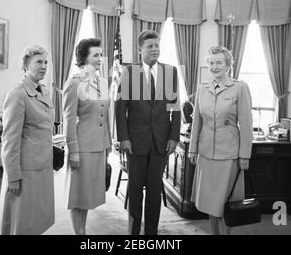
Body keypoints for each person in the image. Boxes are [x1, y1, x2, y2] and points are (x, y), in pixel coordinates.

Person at [115, 30, 181, 235]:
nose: (155, 49)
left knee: (154, 191)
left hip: (161, 142)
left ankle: (151, 234)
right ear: (140, 49)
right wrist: (124, 137)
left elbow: (174, 108)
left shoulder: (170, 72)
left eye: (157, 46)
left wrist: (174, 136)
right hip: (135, 142)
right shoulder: (129, 73)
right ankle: (133, 234)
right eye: (150, 46)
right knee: (135, 190)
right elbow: (120, 108)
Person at [188, 45, 253, 235]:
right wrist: (193, 149)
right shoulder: (202, 89)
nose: (214, 67)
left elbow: (246, 125)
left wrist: (245, 155)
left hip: (229, 153)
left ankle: (227, 233)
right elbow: (196, 123)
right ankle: (214, 233)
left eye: (219, 62)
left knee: (227, 200)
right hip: (206, 152)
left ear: (228, 65)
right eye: (211, 63)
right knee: (210, 201)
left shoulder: (239, 87)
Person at [0, 45, 55, 235]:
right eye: (39, 61)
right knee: (21, 224)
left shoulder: (44, 91)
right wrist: (13, 176)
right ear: (26, 65)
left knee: (36, 221)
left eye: (46, 62)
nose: (44, 66)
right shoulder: (18, 94)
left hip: (42, 166)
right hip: (25, 171)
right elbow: (10, 141)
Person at [63, 38, 111, 235]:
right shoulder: (74, 83)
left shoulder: (103, 82)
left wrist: (108, 145)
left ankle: (83, 231)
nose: (100, 58)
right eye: (96, 55)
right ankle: (79, 234)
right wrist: (73, 150)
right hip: (81, 148)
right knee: (78, 196)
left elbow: (105, 116)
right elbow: (68, 119)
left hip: (99, 146)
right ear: (84, 58)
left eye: (101, 54)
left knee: (87, 195)